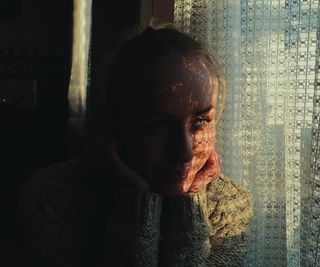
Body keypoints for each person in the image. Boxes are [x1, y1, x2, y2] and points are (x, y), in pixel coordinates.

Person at [20, 26, 253, 267]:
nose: (184, 153)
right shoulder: (55, 199)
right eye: (158, 125)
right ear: (116, 123)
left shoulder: (228, 205)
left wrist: (189, 205)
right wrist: (137, 209)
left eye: (201, 121)